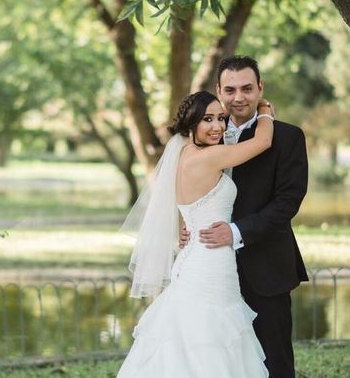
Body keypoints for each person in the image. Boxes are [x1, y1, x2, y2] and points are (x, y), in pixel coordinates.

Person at [117, 90, 275, 378]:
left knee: (191, 338)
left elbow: (183, 204)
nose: (217, 126)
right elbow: (263, 141)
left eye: (221, 119)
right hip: (210, 266)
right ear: (191, 125)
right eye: (207, 120)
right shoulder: (210, 158)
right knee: (209, 340)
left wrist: (182, 224)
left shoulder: (182, 157)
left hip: (193, 262)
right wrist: (263, 109)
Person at [181, 56, 309, 377]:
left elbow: (287, 203)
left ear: (260, 88)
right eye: (231, 89)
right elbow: (187, 188)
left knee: (274, 362)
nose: (239, 97)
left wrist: (236, 232)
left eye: (248, 89)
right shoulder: (204, 137)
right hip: (211, 272)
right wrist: (187, 225)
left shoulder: (288, 137)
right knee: (215, 361)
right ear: (218, 91)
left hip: (267, 268)